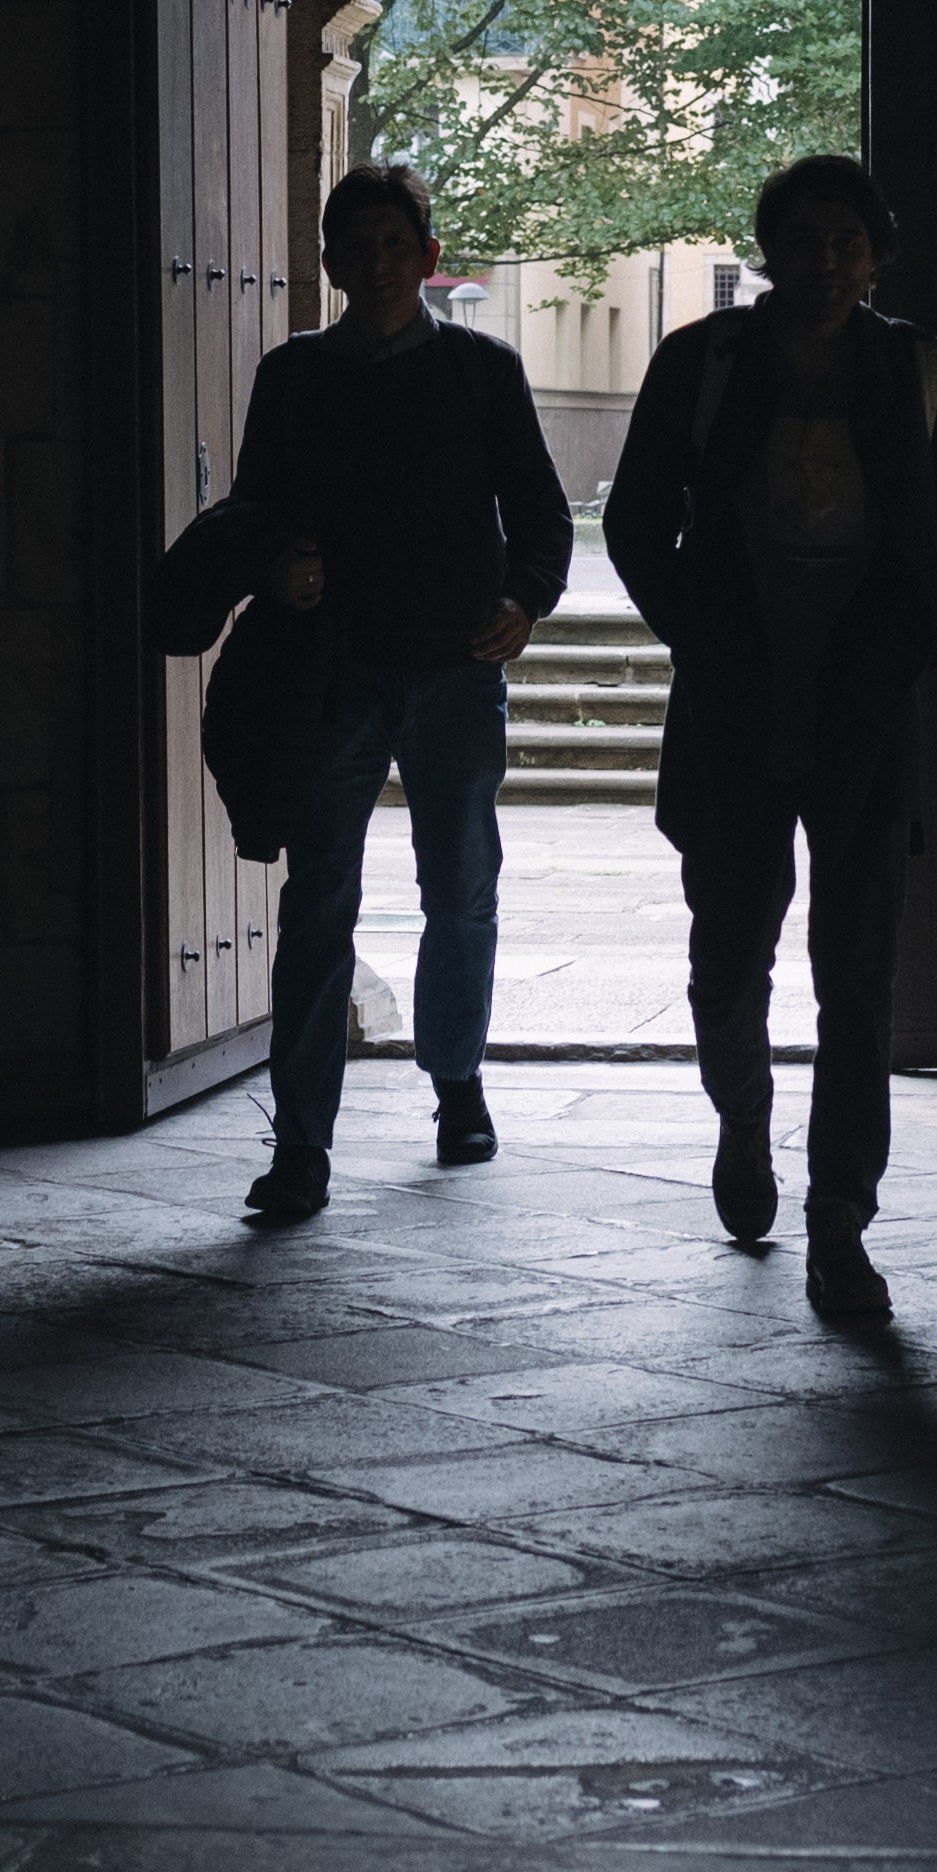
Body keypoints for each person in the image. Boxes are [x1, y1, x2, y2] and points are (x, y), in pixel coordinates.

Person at [599, 152, 937, 1329]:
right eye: (802, 239)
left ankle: (840, 1224)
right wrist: (703, 638)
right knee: (729, 947)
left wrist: (896, 644)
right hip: (733, 698)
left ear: (876, 257)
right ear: (766, 249)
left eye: (847, 242)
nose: (824, 262)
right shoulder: (704, 362)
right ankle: (741, 1115)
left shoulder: (915, 368)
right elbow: (632, 521)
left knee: (855, 970)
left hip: (864, 707)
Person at [214, 165, 569, 1224]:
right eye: (351, 245)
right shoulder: (292, 377)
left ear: (425, 255)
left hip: (456, 667)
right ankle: (303, 1142)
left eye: (391, 244)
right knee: (318, 898)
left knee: (459, 883)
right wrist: (277, 564)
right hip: (330, 672)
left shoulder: (482, 372)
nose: (372, 263)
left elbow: (541, 516)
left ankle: (456, 1079)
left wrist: (526, 600)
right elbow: (254, 510)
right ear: (326, 263)